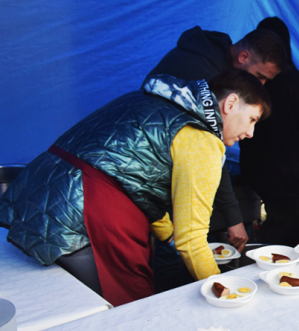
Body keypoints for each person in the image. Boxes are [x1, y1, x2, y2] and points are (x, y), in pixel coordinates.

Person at [0, 69, 271, 306]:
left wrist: (168, 237)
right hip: (88, 209)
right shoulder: (202, 139)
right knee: (130, 304)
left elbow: (135, 180)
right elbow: (193, 239)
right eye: (252, 120)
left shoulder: (146, 101)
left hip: (40, 188)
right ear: (231, 103)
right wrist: (224, 292)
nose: (250, 134)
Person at [147, 26, 287, 252]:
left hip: (154, 187)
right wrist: (233, 218)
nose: (259, 86)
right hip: (149, 183)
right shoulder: (202, 76)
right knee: (176, 254)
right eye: (260, 76)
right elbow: (210, 151)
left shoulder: (210, 62)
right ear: (243, 57)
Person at [239, 17, 299, 246]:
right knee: (283, 234)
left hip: (260, 170)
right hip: (288, 174)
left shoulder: (249, 81)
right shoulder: (292, 80)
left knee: (274, 227)